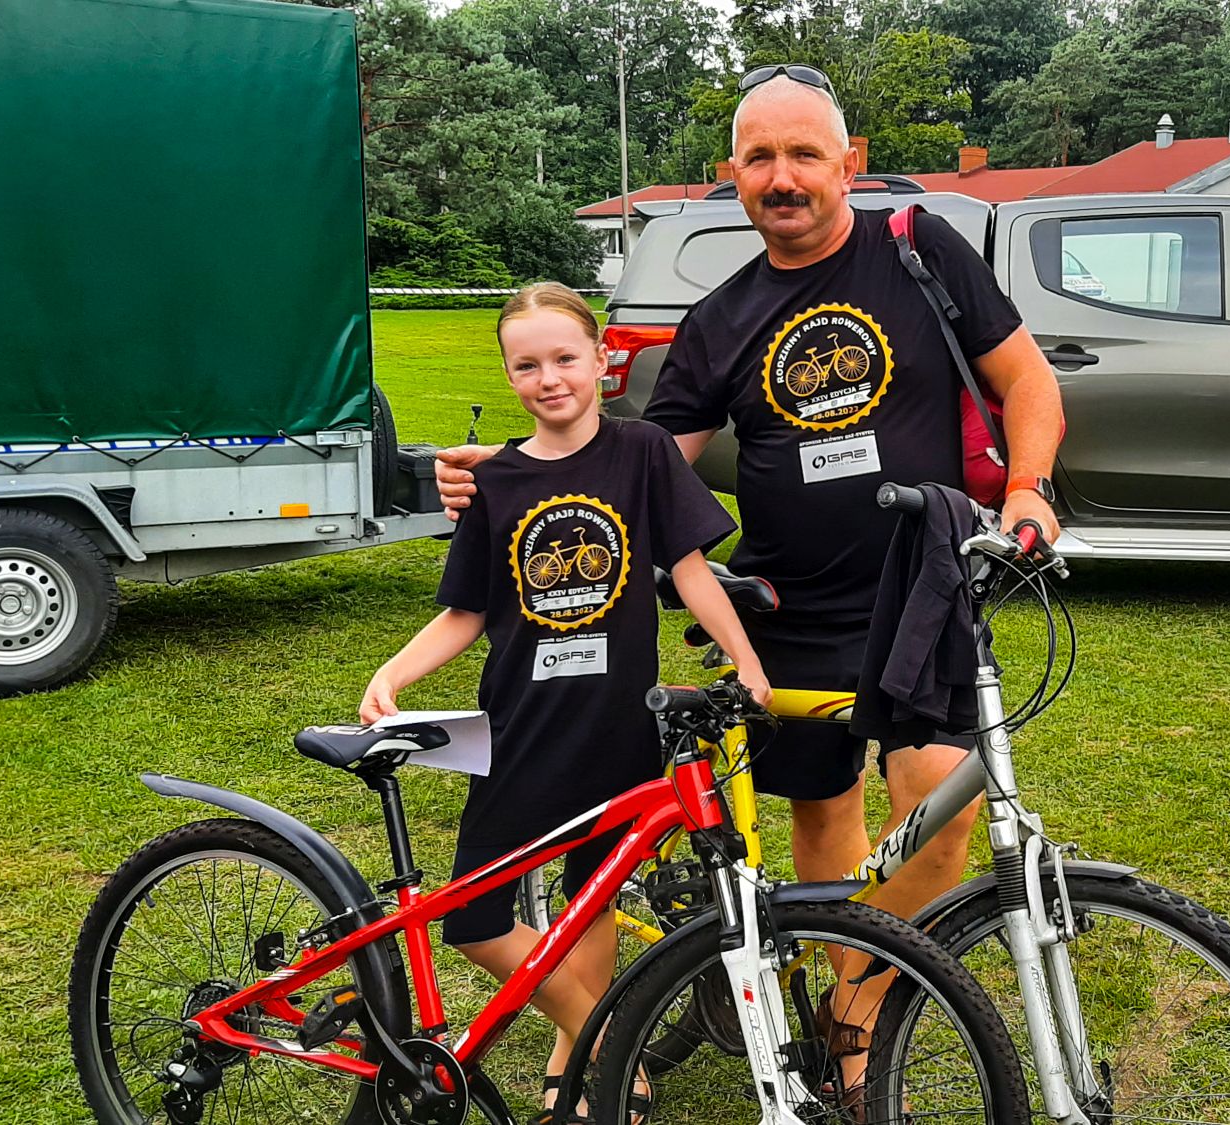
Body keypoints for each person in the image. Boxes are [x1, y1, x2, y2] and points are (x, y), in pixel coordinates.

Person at [434, 64, 1065, 1098]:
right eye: (760, 158)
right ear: (731, 173)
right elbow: (634, 460)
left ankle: (851, 1009)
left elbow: (1024, 379)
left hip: (922, 590)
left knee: (940, 818)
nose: (783, 177)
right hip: (793, 607)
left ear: (847, 164)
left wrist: (1031, 489)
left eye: (803, 154)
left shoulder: (918, 251)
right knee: (821, 814)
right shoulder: (720, 318)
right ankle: (841, 1006)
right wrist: (515, 478)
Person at [363, 283, 771, 1123]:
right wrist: (396, 672)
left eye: (564, 358)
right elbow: (468, 609)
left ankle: (569, 1061)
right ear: (509, 375)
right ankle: (602, 1033)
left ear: (599, 360)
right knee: (475, 916)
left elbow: (689, 570)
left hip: (621, 725)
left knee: (595, 900)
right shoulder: (497, 482)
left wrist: (745, 658)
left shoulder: (646, 452)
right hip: (520, 729)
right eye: (527, 364)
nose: (549, 378)